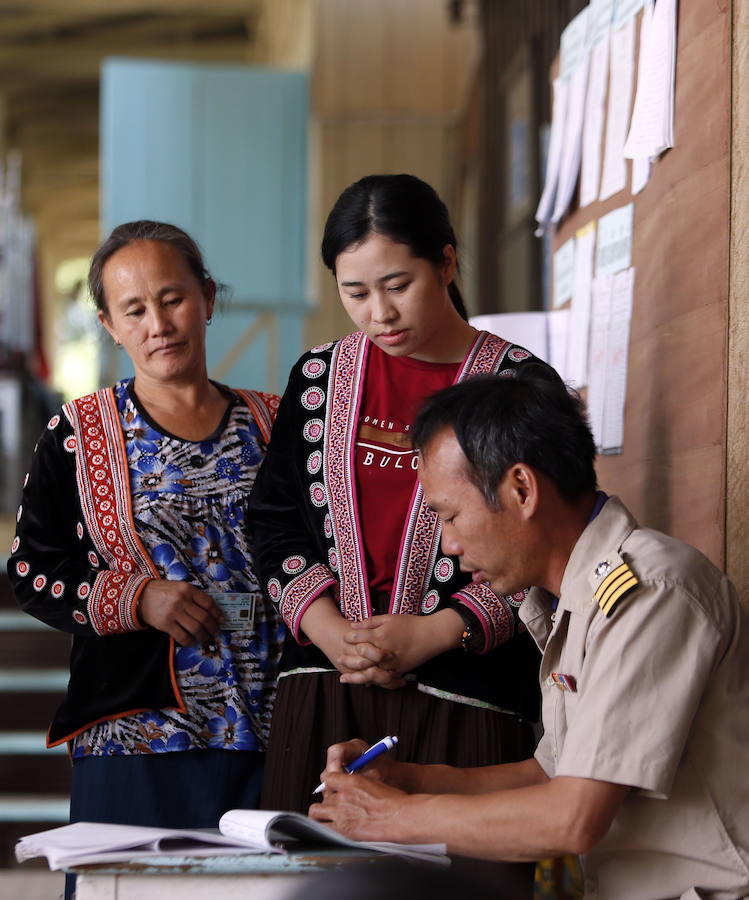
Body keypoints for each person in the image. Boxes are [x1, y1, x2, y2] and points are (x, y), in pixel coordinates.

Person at [309, 373, 749, 900]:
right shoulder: (567, 599)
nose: (447, 545)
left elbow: (572, 818)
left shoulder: (649, 591)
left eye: (449, 516)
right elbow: (552, 776)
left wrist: (391, 817)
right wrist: (403, 780)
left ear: (521, 489)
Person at [249, 174, 559, 835]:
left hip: (466, 691)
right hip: (325, 684)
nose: (378, 313)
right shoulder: (316, 379)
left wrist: (434, 632)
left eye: (397, 286)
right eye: (354, 292)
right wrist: (332, 632)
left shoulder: (517, 385)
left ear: (445, 262)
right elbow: (273, 521)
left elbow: (545, 534)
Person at [9, 221, 284, 897]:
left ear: (208, 298)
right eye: (134, 309)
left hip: (270, 726)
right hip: (136, 741)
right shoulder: (76, 435)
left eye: (173, 298)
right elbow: (32, 572)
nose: (158, 323)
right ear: (109, 324)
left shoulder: (279, 427)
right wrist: (137, 597)